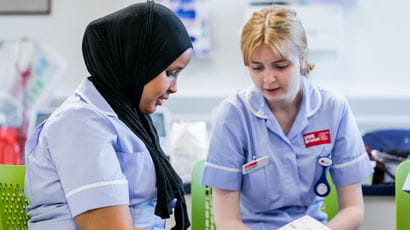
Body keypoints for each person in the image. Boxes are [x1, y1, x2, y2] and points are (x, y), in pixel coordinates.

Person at [201, 6, 373, 230]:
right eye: (257, 68)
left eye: (281, 66)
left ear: (302, 59)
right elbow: (227, 222)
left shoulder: (333, 109)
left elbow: (353, 210)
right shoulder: (233, 115)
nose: (268, 80)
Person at [24, 1, 193, 230]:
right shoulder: (80, 124)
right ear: (136, 62)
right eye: (170, 73)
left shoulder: (129, 118)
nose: (174, 87)